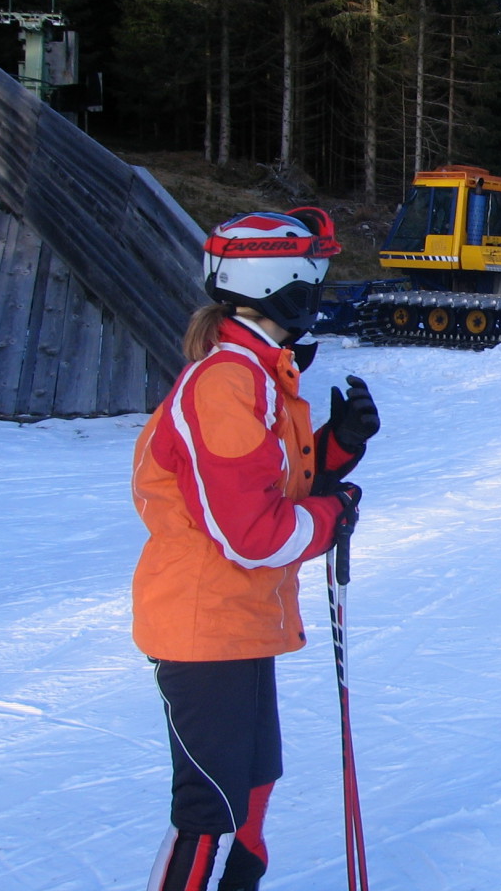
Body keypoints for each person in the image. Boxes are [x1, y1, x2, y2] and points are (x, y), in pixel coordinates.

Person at [133, 208, 381, 891]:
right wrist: (332, 515)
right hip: (202, 623)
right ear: (279, 283)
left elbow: (271, 481)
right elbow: (252, 533)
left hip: (238, 623)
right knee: (209, 810)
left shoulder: (259, 372)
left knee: (254, 784)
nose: (321, 292)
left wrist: (339, 446)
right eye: (314, 275)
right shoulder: (225, 384)